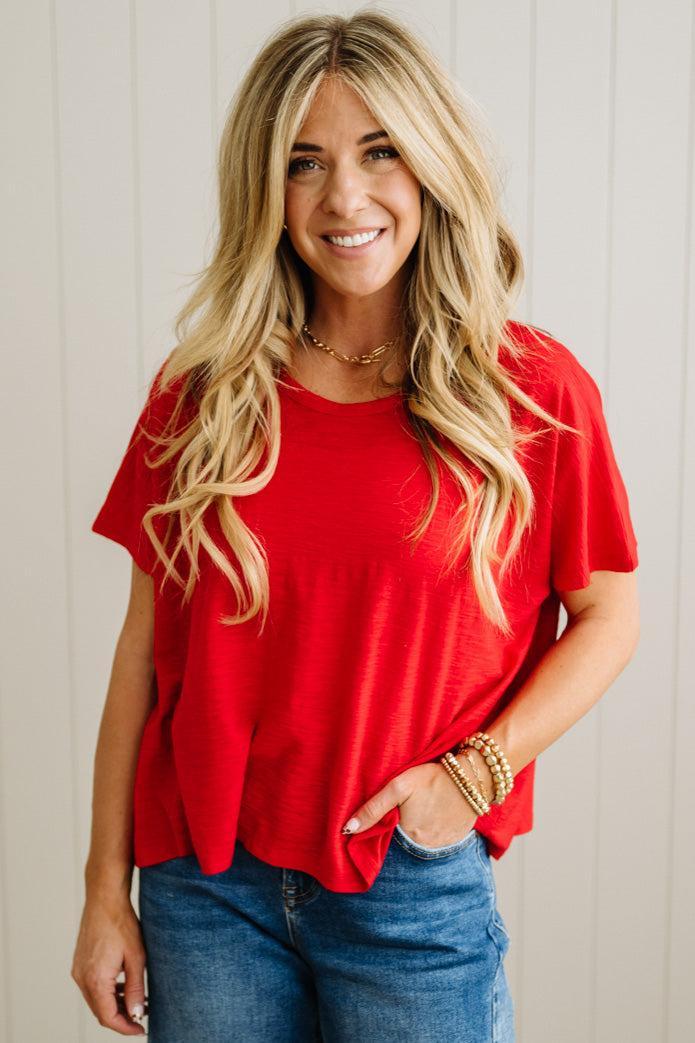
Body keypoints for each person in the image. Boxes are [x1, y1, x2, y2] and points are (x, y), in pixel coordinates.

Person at [70, 9, 640, 1042]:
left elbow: (608, 613)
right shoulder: (203, 394)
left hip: (407, 886)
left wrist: (471, 774)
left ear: (429, 166)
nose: (344, 197)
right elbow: (143, 657)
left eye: (379, 151)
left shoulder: (529, 392)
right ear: (266, 191)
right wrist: (102, 890)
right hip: (207, 893)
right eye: (303, 162)